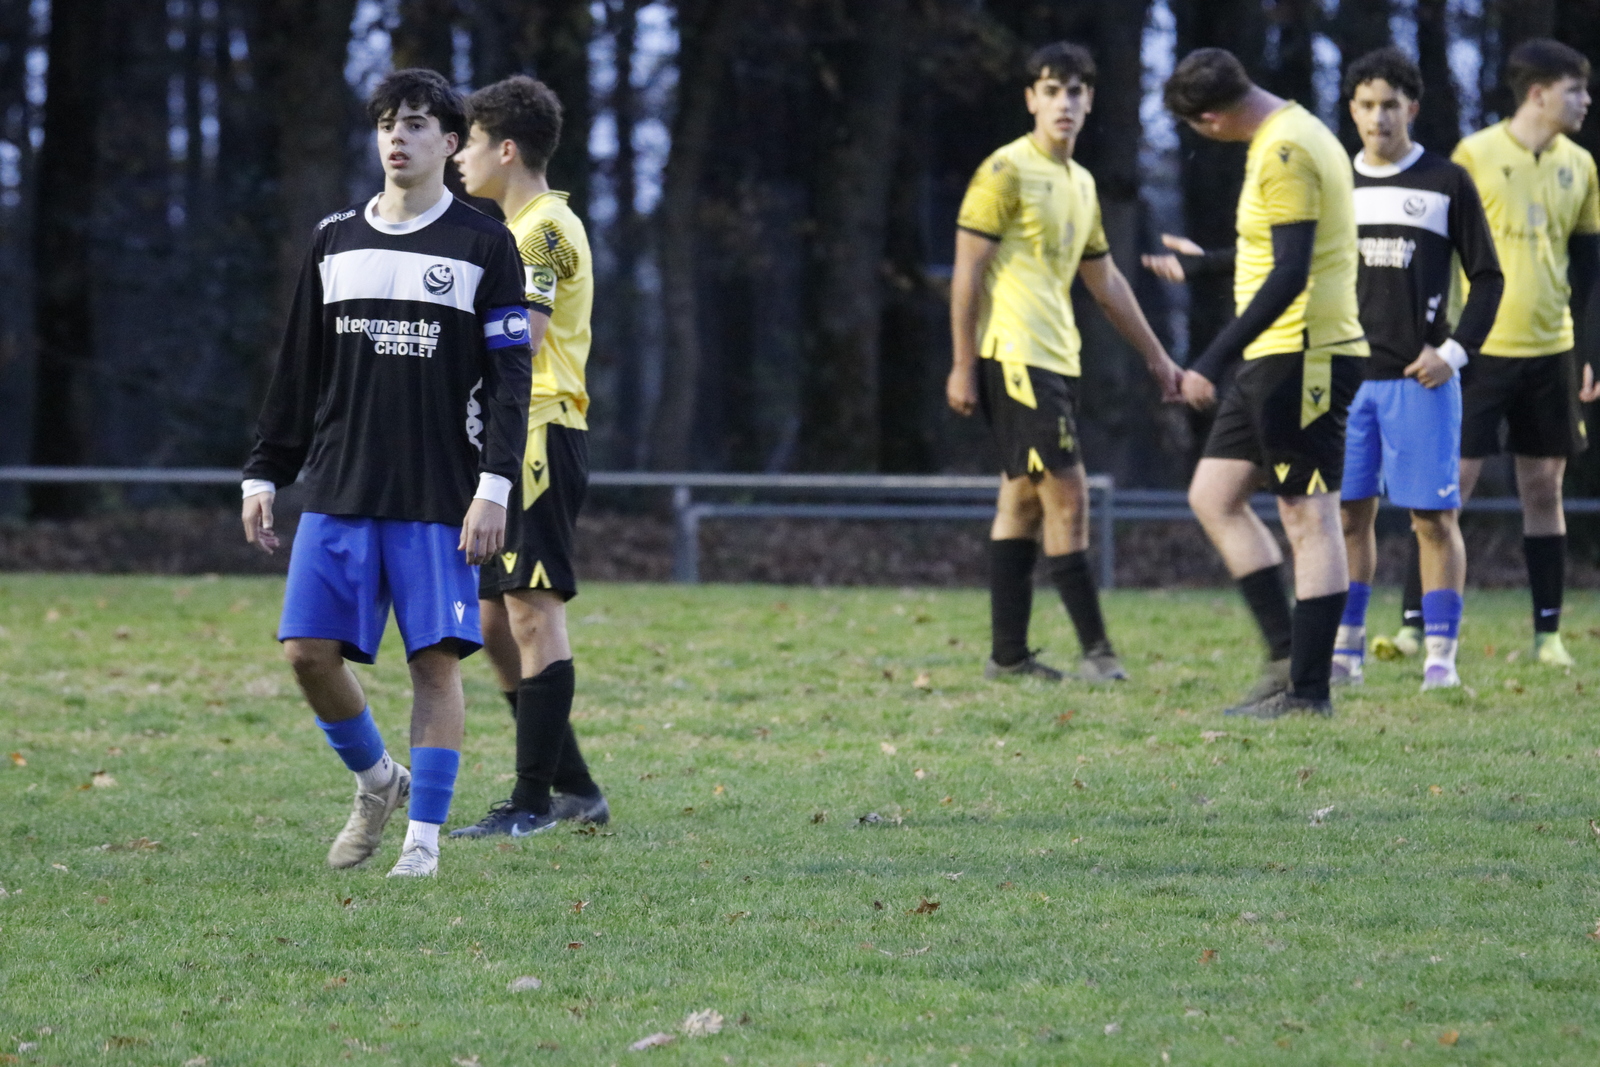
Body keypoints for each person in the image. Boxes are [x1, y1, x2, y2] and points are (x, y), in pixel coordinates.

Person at [241, 69, 532, 877]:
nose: (396, 137)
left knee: (433, 663)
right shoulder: (335, 239)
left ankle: (422, 843)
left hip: (439, 494)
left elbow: (512, 384)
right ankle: (377, 780)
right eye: (385, 125)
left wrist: (494, 487)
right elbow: (297, 371)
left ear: (449, 141)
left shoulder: (485, 243)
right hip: (339, 485)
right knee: (306, 652)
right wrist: (264, 472)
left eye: (415, 124)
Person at [947, 41, 1184, 684]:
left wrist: (1159, 360)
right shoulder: (1005, 170)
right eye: (1051, 90)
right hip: (1014, 355)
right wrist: (962, 364)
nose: (1064, 103)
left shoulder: (1081, 183)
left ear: (1090, 101)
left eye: (1074, 91)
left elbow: (1105, 282)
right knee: (1069, 496)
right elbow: (967, 272)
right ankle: (1098, 654)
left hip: (1056, 358)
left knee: (1022, 502)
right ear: (1031, 100)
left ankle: (1008, 658)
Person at [1150, 48, 1368, 718]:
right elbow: (1281, 248)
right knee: (1214, 496)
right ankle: (1286, 656)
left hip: (1306, 353)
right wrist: (1206, 265)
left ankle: (1309, 691)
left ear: (1211, 118)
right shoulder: (1290, 132)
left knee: (1309, 514)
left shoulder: (1285, 152)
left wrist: (1209, 360)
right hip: (1274, 358)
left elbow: (1291, 272)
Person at [1379, 38, 1600, 668]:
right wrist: (1431, 334)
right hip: (1475, 352)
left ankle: (1548, 636)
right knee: (1446, 490)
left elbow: (1590, 267)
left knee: (1544, 489)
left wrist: (1592, 349)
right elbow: (1436, 249)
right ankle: (1416, 625)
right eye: (1575, 90)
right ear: (1539, 93)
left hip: (1551, 350)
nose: (1585, 101)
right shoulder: (1474, 155)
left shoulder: (1581, 165)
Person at [447, 76, 608, 838]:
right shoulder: (521, 228)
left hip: (541, 434)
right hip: (515, 438)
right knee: (493, 622)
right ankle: (575, 786)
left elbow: (528, 339)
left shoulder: (541, 232)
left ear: (506, 149)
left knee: (533, 615)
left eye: (472, 142)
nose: (459, 157)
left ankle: (532, 801)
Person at [1323, 48, 1503, 691]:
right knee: (1347, 517)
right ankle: (1345, 653)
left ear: (1412, 109)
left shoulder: (1446, 181)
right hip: (1345, 381)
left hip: (1418, 382)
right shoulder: (1331, 182)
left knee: (1432, 520)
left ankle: (1440, 660)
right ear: (1352, 111)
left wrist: (1452, 354)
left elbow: (1488, 279)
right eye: (1367, 105)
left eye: (1391, 105)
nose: (1379, 117)